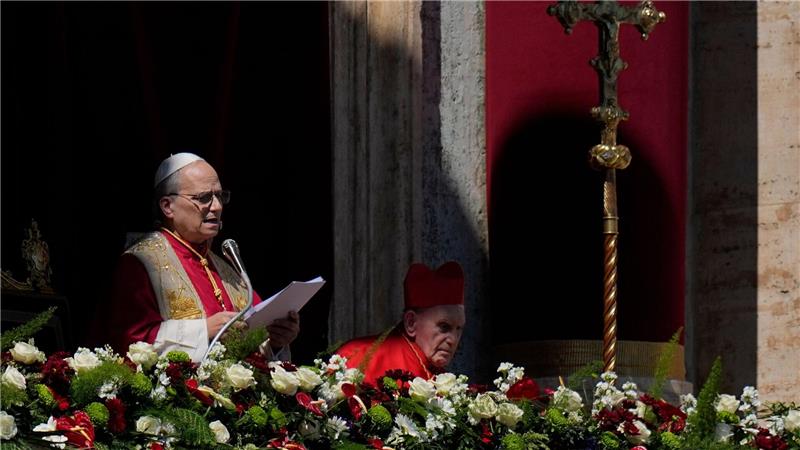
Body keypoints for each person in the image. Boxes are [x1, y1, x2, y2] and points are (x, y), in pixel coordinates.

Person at [103, 152, 300, 362]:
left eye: (220, 196)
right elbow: (130, 342)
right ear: (167, 206)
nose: (217, 206)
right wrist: (203, 330)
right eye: (204, 197)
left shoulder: (223, 266)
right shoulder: (141, 263)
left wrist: (276, 340)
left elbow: (252, 335)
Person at [336, 261, 465, 386]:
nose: (453, 340)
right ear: (411, 323)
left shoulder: (446, 383)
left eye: (459, 329)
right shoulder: (357, 356)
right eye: (444, 327)